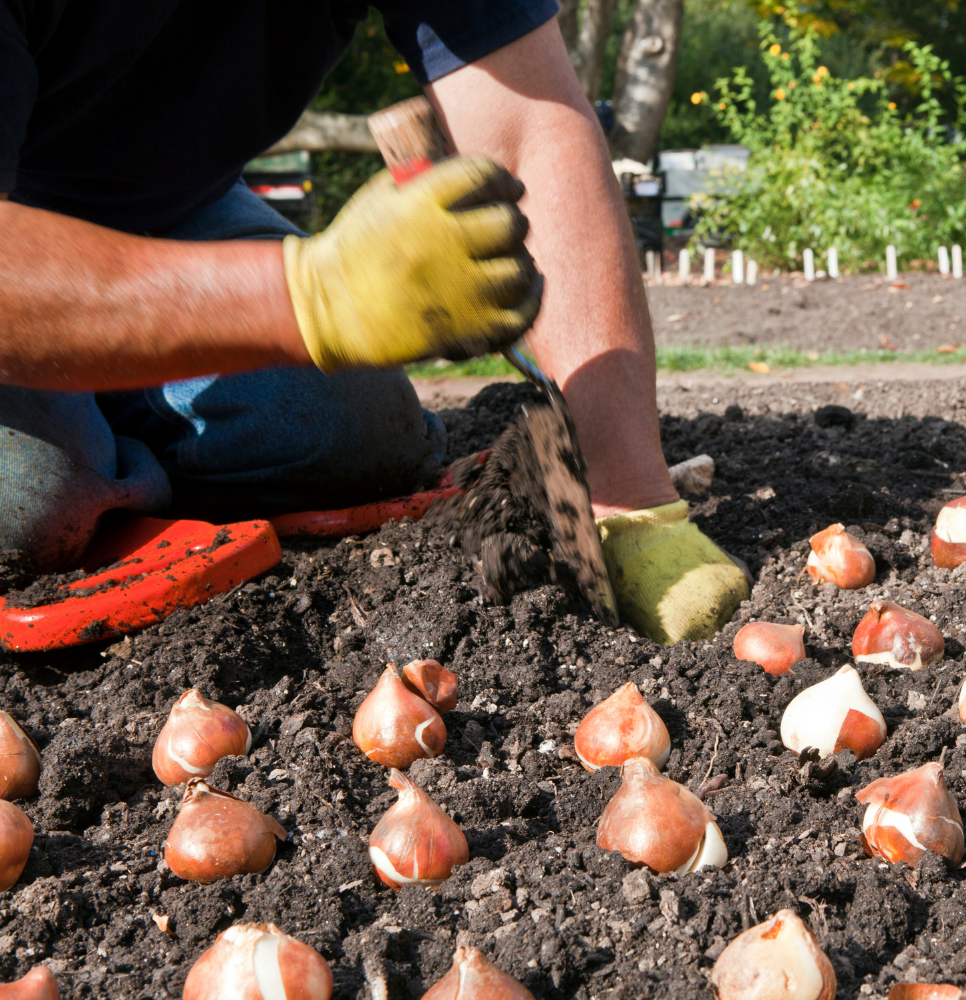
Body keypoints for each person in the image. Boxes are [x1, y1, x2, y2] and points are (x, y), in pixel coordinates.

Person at [0, 1, 747, 644]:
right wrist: (310, 298)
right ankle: (82, 430)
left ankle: (96, 410)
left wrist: (630, 497)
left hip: (170, 207)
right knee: (29, 501)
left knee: (351, 430)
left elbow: (525, 124)